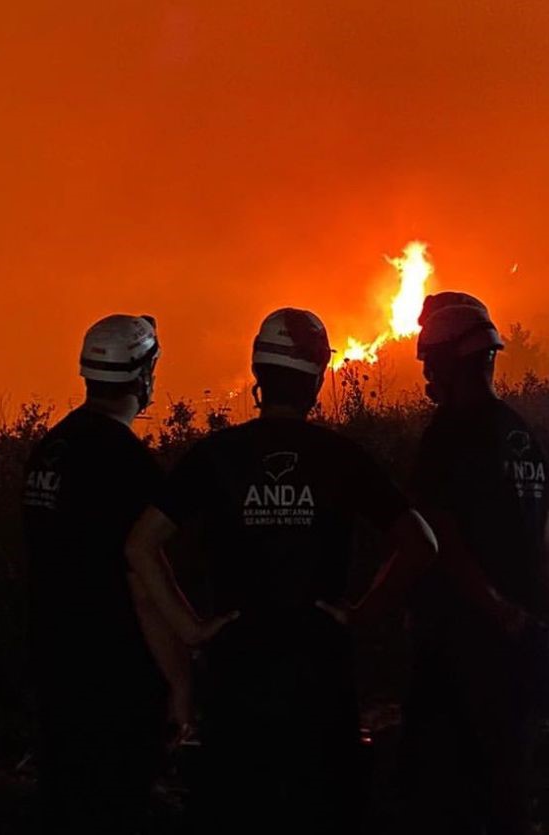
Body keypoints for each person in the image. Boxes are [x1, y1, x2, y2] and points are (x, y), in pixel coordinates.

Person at [125, 308, 438, 835]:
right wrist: (362, 615)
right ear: (316, 379)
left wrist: (192, 630)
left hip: (235, 680)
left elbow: (139, 546)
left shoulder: (216, 456)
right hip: (321, 680)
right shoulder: (342, 457)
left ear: (257, 376)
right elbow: (420, 544)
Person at [401, 294, 549, 835]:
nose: (427, 376)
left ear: (444, 362)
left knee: (437, 793)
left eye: (428, 364)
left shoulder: (447, 435)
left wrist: (496, 610)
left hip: (458, 646)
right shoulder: (520, 435)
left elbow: (437, 536)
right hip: (521, 649)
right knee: (506, 788)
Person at [22, 314, 190, 833]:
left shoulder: (51, 449)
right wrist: (182, 681)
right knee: (117, 802)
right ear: (144, 375)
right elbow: (142, 582)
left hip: (54, 663)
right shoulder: (125, 461)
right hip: (113, 672)